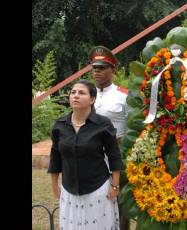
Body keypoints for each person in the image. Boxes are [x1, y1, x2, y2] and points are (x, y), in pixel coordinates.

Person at [48, 80, 123, 230]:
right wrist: (55, 185)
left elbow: (114, 155)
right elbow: (55, 156)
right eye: (73, 92)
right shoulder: (60, 125)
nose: (75, 96)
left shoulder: (103, 124)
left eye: (81, 93)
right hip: (69, 190)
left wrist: (115, 185)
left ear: (92, 99)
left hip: (97, 189)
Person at [89, 45, 130, 230]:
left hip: (116, 154)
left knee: (118, 202)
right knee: (93, 201)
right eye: (94, 68)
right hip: (90, 156)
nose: (97, 71)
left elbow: (134, 127)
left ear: (113, 69)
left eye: (102, 68)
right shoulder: (86, 94)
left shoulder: (124, 96)